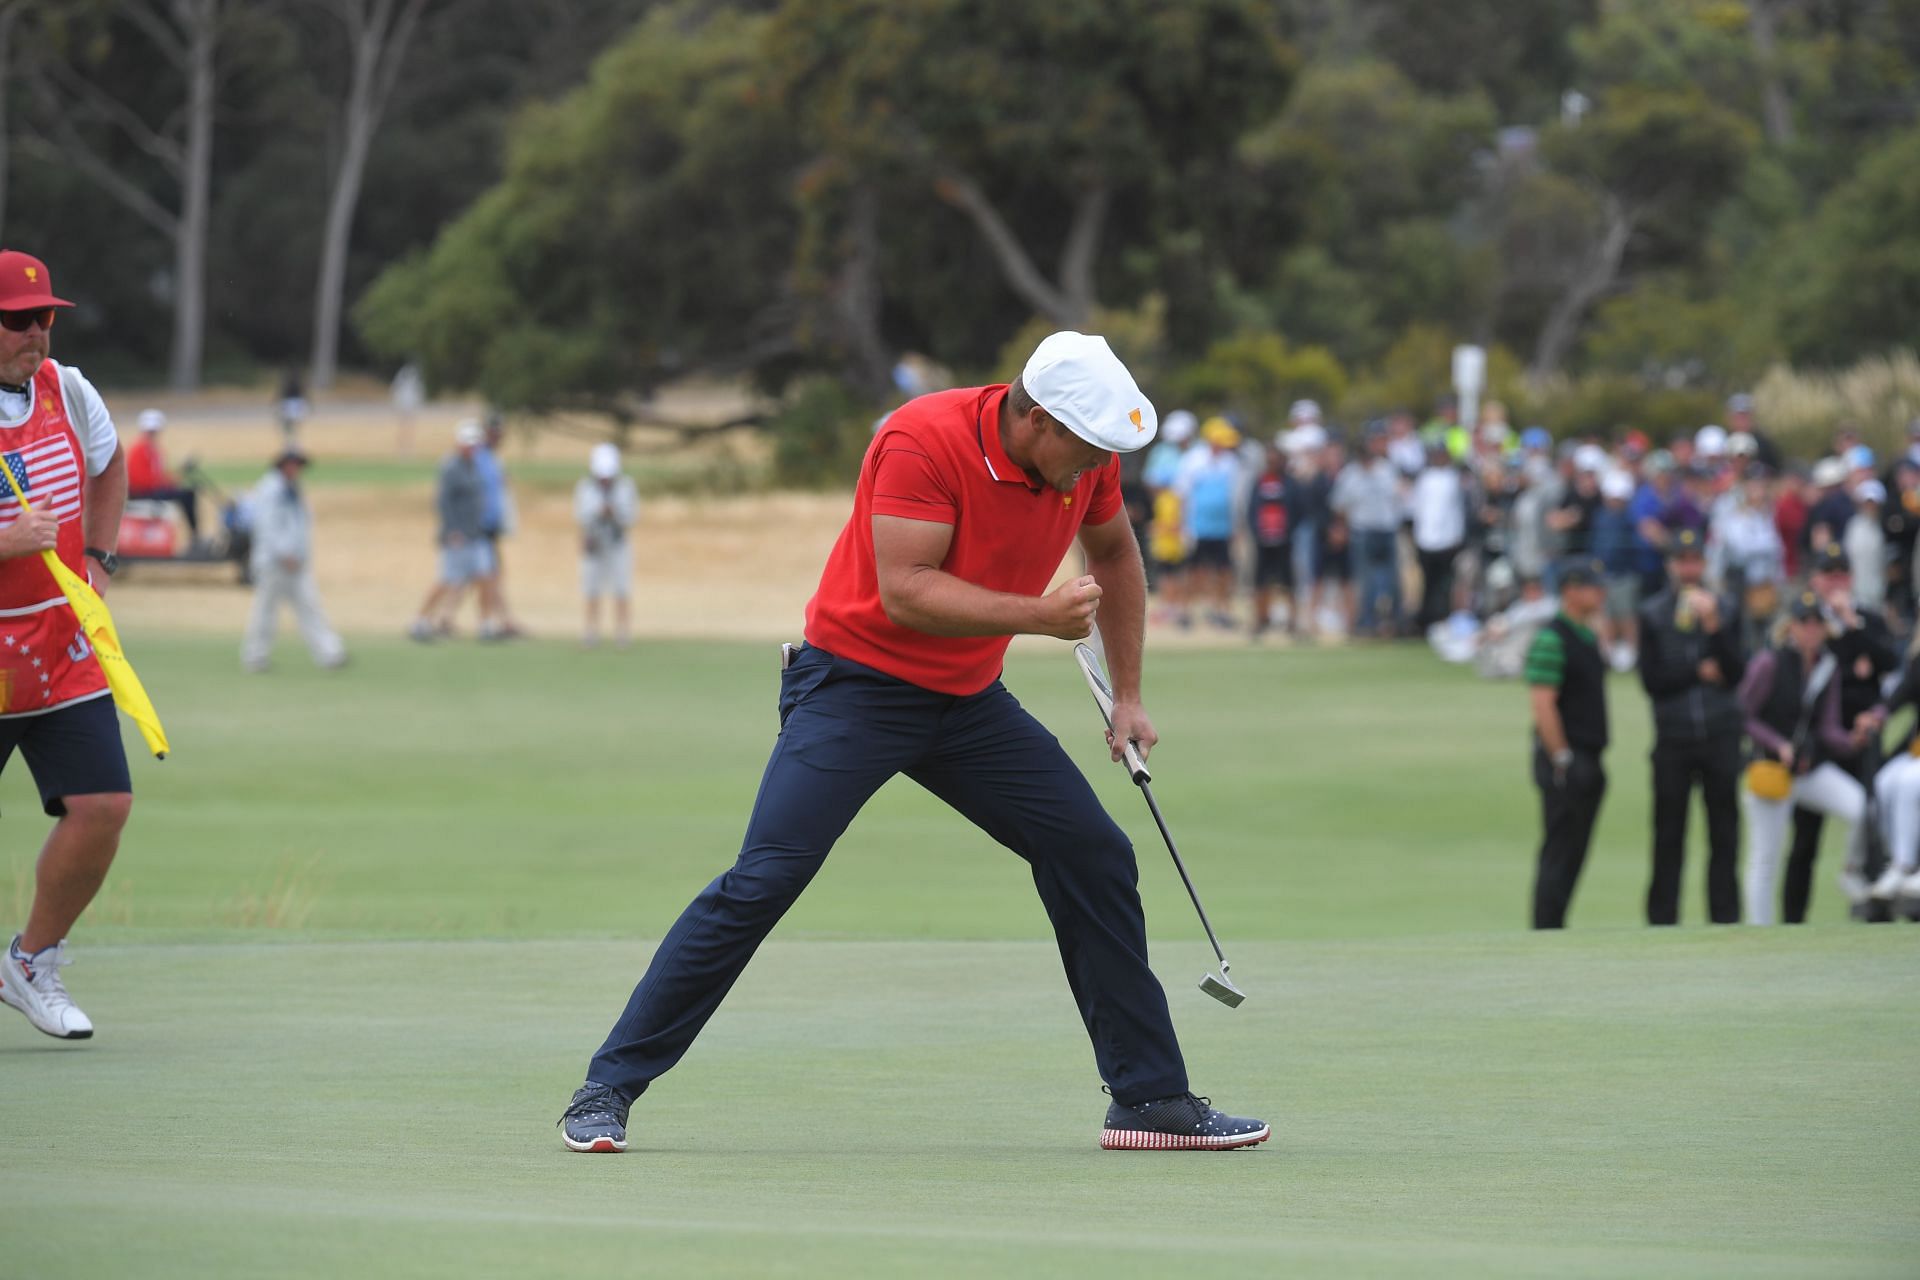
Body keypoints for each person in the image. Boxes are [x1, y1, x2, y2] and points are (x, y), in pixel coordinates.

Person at [557, 332, 1267, 1155]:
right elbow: (907, 592)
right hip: (853, 689)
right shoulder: (922, 440)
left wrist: (1130, 694)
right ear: (1034, 419)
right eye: (1085, 448)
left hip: (967, 704)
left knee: (1093, 851)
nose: (1097, 466)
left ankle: (1148, 1100)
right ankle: (607, 1087)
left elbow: (1113, 552)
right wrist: (1039, 615)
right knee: (764, 879)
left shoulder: (1087, 454)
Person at [0, 250, 134, 1042]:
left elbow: (108, 466)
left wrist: (101, 558)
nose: (37, 334)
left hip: (60, 648)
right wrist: (8, 539)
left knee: (104, 806)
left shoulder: (68, 388)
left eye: (46, 317)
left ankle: (29, 960)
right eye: (19, 321)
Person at [1735, 591, 1866, 925]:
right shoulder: (1770, 662)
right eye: (1803, 622)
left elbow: (1828, 727)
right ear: (1790, 626)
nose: (1810, 629)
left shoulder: (1827, 667)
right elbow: (1743, 714)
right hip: (1771, 771)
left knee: (1861, 806)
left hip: (1807, 770)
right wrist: (1776, 743)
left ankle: (1852, 871)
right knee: (1766, 858)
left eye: (1816, 623)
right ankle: (1759, 932)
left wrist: (1852, 741)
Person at [1785, 544, 1901, 919]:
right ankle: (1792, 918)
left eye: (1841, 574)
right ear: (1815, 579)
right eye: (1828, 574)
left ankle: (1870, 909)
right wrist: (1856, 662)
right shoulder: (1808, 620)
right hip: (1819, 739)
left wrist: (1854, 626)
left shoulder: (1865, 616)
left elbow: (1890, 662)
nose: (1835, 582)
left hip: (1862, 733)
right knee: (1805, 838)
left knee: (1871, 822)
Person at [1637, 528, 1746, 925]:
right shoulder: (1653, 613)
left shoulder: (1727, 609)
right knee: (1668, 836)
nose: (1689, 569)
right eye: (1681, 561)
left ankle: (1725, 919)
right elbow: (1652, 681)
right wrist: (1697, 671)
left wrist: (1714, 625)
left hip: (1720, 734)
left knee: (1725, 835)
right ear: (1671, 566)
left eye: (1695, 561)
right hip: (1674, 738)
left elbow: (1736, 673)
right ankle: (1662, 922)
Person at [1525, 558, 1610, 928]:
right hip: (1566, 758)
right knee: (1559, 852)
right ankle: (1546, 929)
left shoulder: (1587, 635)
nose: (1600, 592)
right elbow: (1543, 704)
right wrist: (1562, 757)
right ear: (1571, 591)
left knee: (1575, 852)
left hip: (1588, 756)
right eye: (1591, 586)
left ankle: (1556, 926)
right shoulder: (1552, 637)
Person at [241, 448, 346, 673]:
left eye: (299, 465)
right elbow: (267, 525)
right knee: (266, 609)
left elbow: (301, 524)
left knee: (311, 606)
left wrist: (299, 554)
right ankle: (255, 655)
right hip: (273, 562)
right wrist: (284, 553)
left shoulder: (293, 489)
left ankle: (330, 652)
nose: (296, 469)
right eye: (293, 465)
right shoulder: (270, 489)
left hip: (297, 562)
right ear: (282, 465)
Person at [408, 421, 495, 642]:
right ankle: (420, 620)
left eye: (475, 445)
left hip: (477, 534)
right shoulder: (451, 467)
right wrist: (451, 530)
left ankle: (485, 624)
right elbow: (443, 503)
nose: (472, 448)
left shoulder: (474, 465)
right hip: (457, 536)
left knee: (485, 576)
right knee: (448, 580)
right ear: (458, 444)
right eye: (468, 444)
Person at [1332, 424, 1404, 637]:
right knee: (1366, 582)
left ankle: (1394, 623)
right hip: (1362, 531)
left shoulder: (1387, 469)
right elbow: (1340, 506)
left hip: (1387, 530)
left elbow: (1400, 497)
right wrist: (1341, 529)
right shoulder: (1350, 474)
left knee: (1392, 582)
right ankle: (1366, 623)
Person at [1178, 417, 1241, 630]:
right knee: (1194, 571)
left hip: (1222, 528)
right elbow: (1183, 495)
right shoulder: (1193, 460)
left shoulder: (1230, 462)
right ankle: (1185, 611)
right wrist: (1183, 526)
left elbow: (1234, 497)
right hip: (1197, 527)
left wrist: (1235, 526)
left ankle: (1221, 610)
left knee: (1224, 571)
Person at [575, 442, 638, 648]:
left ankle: (622, 632)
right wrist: (597, 513)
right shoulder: (585, 487)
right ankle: (591, 631)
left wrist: (615, 513)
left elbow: (631, 516)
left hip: (617, 543)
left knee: (621, 588)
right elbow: (580, 516)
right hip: (594, 543)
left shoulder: (625, 487)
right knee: (591, 588)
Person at [1411, 440, 1465, 630]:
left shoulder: (1453, 478)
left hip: (1447, 541)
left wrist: (1456, 535)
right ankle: (1426, 621)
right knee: (1428, 584)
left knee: (1444, 585)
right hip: (1426, 540)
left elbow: (1456, 511)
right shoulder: (1425, 478)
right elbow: (1418, 509)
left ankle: (1441, 619)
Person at [125, 408, 200, 542]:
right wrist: (166, 482)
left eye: (154, 431)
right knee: (187, 495)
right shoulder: (138, 449)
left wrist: (174, 477)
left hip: (153, 489)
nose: (152, 434)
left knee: (189, 492)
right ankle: (195, 536)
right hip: (142, 492)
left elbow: (159, 475)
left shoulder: (155, 450)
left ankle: (195, 536)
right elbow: (139, 479)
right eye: (150, 431)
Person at [1246, 440, 1291, 641]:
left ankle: (1292, 621)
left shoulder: (1289, 482)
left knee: (1288, 582)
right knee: (1260, 583)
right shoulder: (1260, 482)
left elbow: (1296, 508)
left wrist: (1288, 530)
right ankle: (1260, 619)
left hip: (1284, 541)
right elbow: (1251, 509)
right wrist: (1256, 531)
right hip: (1262, 540)